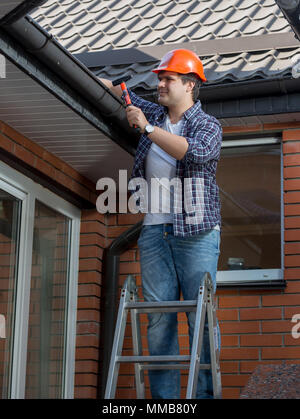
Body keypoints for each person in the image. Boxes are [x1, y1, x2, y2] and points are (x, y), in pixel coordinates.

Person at [100, 49, 222, 399]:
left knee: (200, 319)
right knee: (158, 320)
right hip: (154, 232)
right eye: (160, 78)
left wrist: (149, 128)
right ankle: (165, 404)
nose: (160, 84)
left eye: (168, 78)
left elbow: (193, 152)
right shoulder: (153, 111)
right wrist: (86, 77)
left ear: (190, 85)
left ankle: (204, 399)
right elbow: (120, 91)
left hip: (196, 234)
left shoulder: (207, 125)